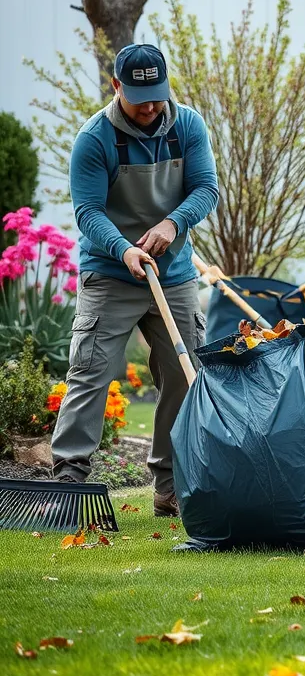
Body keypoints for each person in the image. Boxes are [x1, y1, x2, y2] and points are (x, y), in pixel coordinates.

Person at [51, 43, 219, 516]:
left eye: (158, 95)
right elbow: (87, 211)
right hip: (110, 274)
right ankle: (68, 477)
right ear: (116, 86)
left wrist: (173, 224)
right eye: (140, 95)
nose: (150, 106)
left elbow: (207, 188)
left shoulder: (187, 125)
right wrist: (123, 249)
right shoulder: (94, 139)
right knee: (91, 372)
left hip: (175, 276)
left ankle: (168, 484)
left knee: (185, 377)